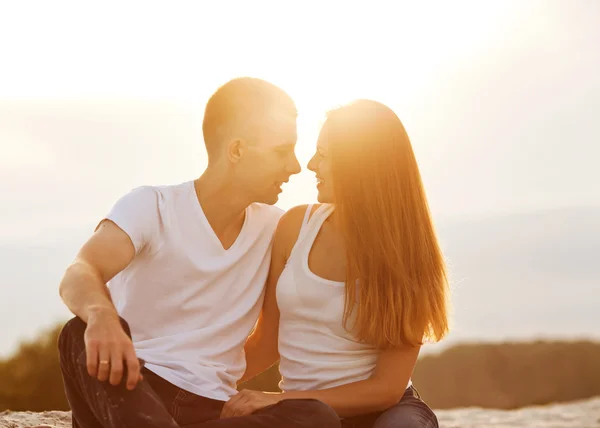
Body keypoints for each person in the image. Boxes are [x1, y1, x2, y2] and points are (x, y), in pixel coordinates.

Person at [56, 77, 341, 428]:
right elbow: (80, 270)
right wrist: (102, 316)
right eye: (282, 151)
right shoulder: (152, 206)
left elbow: (269, 340)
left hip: (213, 411)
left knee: (318, 418)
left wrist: (209, 371)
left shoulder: (278, 229)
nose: (295, 166)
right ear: (236, 150)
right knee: (76, 331)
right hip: (133, 389)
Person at [214, 99, 450, 428]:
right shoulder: (296, 227)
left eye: (324, 155)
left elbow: (386, 390)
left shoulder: (408, 256)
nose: (311, 164)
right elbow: (266, 342)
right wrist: (196, 381)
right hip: (306, 416)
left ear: (361, 166)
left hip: (388, 414)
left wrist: (278, 399)